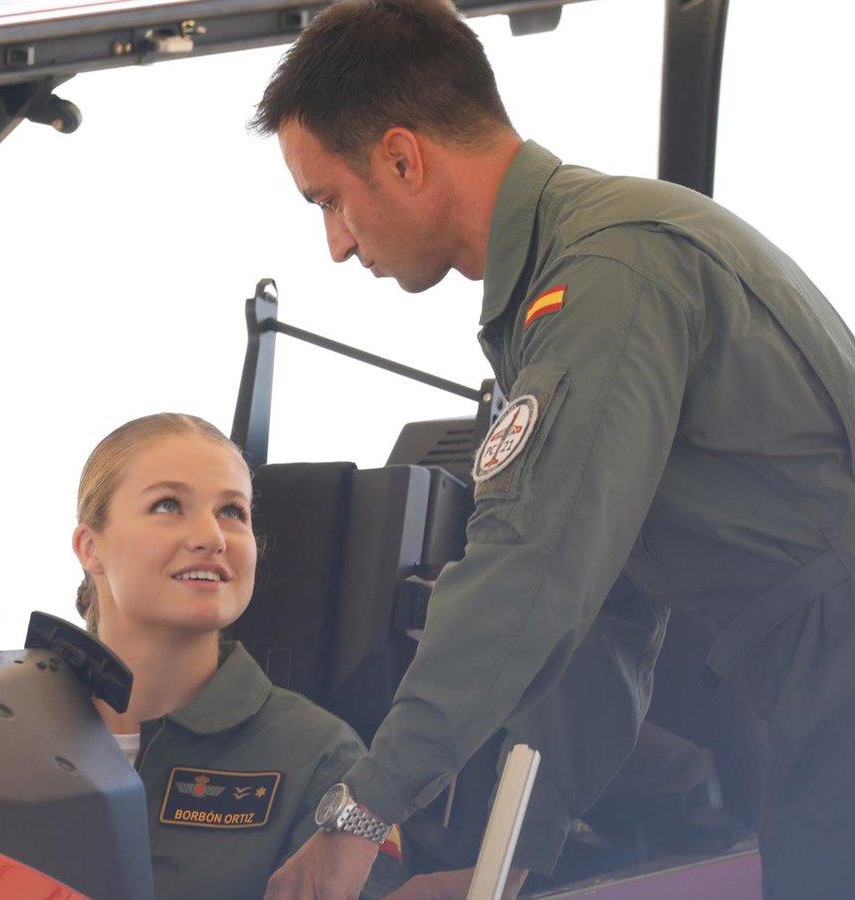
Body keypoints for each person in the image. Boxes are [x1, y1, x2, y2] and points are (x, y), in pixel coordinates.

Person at [247, 2, 855, 898]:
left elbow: (529, 573)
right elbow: (602, 614)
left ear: (404, 158)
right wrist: (506, 865)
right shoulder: (578, 277)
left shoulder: (608, 276)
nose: (335, 243)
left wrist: (360, 815)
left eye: (329, 198)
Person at [70, 413, 405, 899]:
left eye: (232, 512)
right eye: (168, 504)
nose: (212, 537)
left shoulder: (324, 761)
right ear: (90, 547)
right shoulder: (2, 731)